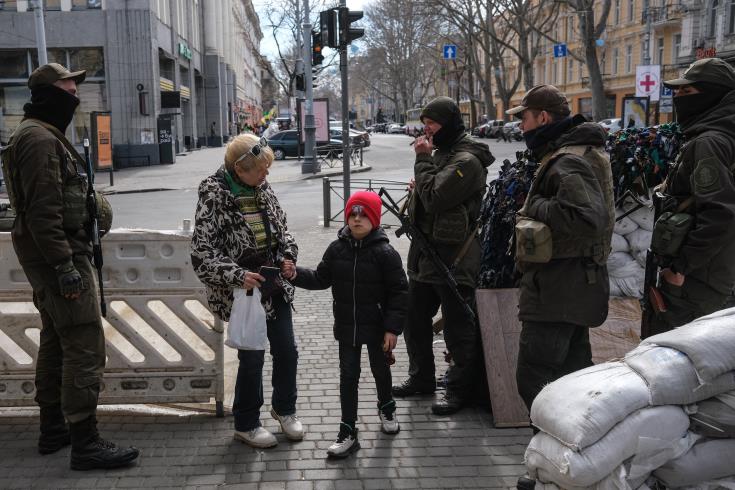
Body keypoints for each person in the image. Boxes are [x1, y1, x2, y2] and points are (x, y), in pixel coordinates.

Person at [6, 63, 139, 470]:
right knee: (83, 343)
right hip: (59, 257)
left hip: (54, 255)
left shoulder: (39, 135)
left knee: (56, 340)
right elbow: (44, 213)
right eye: (69, 86)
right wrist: (65, 266)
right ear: (50, 92)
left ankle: (54, 429)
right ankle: (86, 442)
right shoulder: (39, 141)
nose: (76, 93)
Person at [190, 133, 303, 449]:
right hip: (243, 293)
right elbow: (201, 253)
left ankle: (285, 409)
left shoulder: (262, 187)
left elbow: (283, 231)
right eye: (260, 170)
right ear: (240, 170)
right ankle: (246, 423)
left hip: (273, 284)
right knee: (252, 357)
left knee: (287, 350)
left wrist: (289, 257)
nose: (267, 175)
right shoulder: (213, 195)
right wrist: (237, 275)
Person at [506, 84, 614, 412]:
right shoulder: (570, 152)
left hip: (559, 288)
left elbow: (586, 217)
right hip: (572, 284)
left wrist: (534, 204)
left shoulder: (568, 159)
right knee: (574, 375)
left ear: (542, 117)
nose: (520, 126)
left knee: (533, 378)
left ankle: (555, 447)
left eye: (523, 118)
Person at [392, 96, 494, 416]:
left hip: (455, 259)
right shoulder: (444, 155)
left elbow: (436, 197)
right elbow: (428, 191)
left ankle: (459, 389)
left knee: (458, 328)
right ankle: (421, 378)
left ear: (449, 123)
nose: (427, 130)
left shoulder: (466, 161)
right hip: (426, 256)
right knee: (414, 317)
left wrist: (422, 162)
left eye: (432, 124)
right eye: (424, 124)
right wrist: (420, 183)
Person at [292, 191, 408, 458]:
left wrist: (392, 328)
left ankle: (387, 407)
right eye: (352, 214)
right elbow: (321, 278)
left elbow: (400, 292)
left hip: (378, 327)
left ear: (374, 219)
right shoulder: (336, 249)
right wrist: (295, 274)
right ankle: (347, 430)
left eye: (363, 214)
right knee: (348, 377)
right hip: (347, 328)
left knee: (381, 370)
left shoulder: (385, 253)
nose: (356, 219)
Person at [645, 58, 735, 335]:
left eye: (688, 92)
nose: (678, 98)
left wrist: (680, 268)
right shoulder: (723, 136)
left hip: (698, 281)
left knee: (679, 357)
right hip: (718, 271)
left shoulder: (709, 142)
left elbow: (720, 214)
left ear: (713, 96)